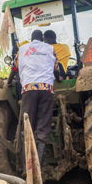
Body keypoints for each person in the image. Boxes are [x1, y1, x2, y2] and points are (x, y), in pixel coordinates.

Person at [17, 29, 57, 163]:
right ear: (43, 38)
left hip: (28, 89)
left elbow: (15, 67)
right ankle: (38, 164)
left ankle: (25, 166)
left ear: (31, 38)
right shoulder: (50, 48)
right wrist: (60, 78)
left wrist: (10, 81)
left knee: (28, 124)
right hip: (46, 88)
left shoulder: (22, 49)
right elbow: (55, 68)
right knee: (43, 124)